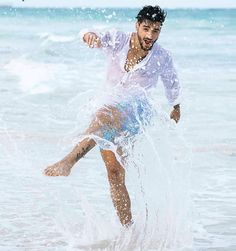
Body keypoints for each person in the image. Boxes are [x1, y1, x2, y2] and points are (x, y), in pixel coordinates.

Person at [44, 5, 181, 227]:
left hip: (138, 112)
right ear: (137, 25)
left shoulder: (162, 57)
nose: (150, 36)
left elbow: (172, 82)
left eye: (156, 31)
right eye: (146, 28)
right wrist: (89, 36)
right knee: (115, 173)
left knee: (105, 113)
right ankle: (129, 231)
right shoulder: (118, 40)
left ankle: (69, 161)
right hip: (109, 108)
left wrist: (175, 106)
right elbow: (91, 32)